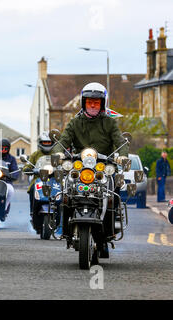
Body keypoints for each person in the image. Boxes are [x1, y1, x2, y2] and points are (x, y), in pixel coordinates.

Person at [51, 82, 128, 255]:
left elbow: (121, 142)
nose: (93, 105)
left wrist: (121, 155)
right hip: (80, 166)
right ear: (84, 103)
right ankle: (65, 229)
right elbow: (63, 141)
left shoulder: (109, 123)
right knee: (66, 192)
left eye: (96, 102)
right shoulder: (75, 122)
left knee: (112, 194)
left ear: (102, 103)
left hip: (103, 166)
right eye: (89, 102)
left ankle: (109, 234)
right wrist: (58, 153)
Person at [23, 131, 54, 220]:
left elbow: (63, 164)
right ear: (40, 143)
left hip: (54, 180)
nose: (47, 144)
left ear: (52, 143)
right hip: (38, 180)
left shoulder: (57, 154)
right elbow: (28, 165)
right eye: (45, 142)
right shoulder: (35, 154)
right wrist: (28, 169)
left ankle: (62, 216)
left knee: (64, 194)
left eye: (49, 142)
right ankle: (33, 213)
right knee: (33, 190)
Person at [0, 139, 19, 218]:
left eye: (5, 148)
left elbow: (15, 170)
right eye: (1, 148)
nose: (3, 150)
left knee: (10, 191)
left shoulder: (11, 159)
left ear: (8, 149)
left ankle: (4, 209)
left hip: (5, 181)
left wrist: (12, 175)